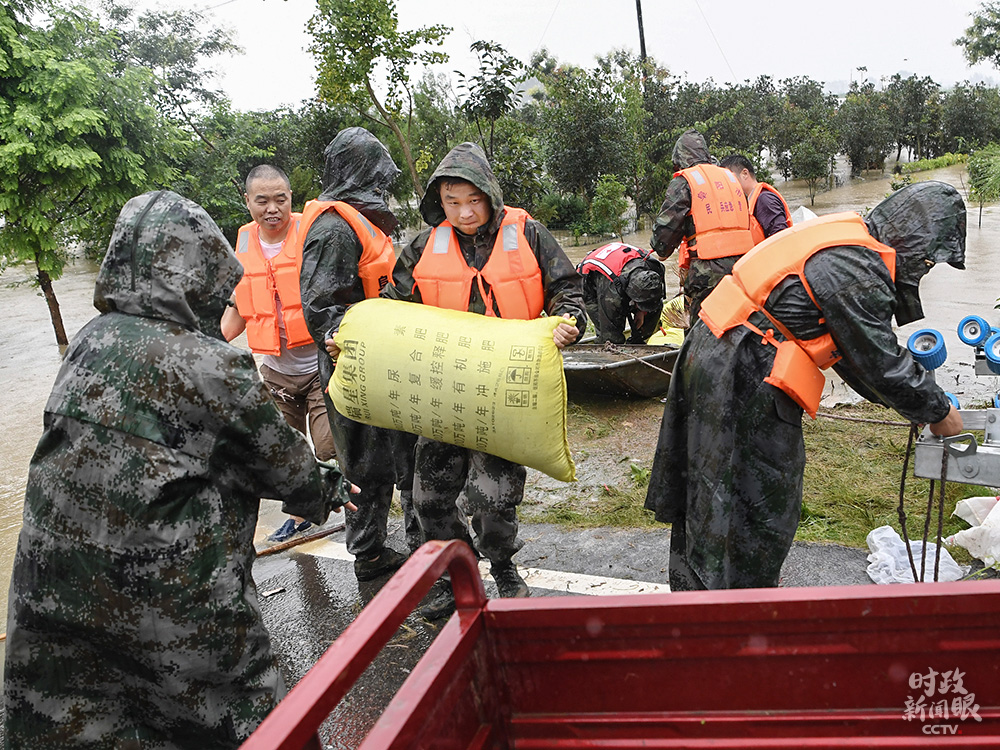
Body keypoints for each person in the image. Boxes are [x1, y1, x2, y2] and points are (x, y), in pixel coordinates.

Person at [3, 190, 358, 748]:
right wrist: (333, 488)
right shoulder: (210, 363)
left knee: (83, 724)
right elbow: (286, 468)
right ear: (202, 272)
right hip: (169, 597)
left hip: (50, 588)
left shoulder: (87, 343)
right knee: (256, 728)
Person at [644, 181, 967, 592]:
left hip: (713, 350)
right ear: (915, 236)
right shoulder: (856, 266)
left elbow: (851, 355)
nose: (923, 267)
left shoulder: (846, 239)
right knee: (759, 494)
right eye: (927, 259)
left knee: (708, 478)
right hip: (741, 369)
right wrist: (938, 411)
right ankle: (743, 604)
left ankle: (702, 593)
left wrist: (910, 404)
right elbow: (880, 361)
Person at [383, 142, 587, 616]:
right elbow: (392, 306)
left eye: (473, 200)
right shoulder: (422, 245)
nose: (464, 211)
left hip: (504, 390)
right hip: (443, 391)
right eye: (452, 202)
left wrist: (569, 321)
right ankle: (462, 572)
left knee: (493, 500)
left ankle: (504, 569)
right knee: (428, 499)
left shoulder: (529, 234)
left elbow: (567, 290)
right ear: (439, 201)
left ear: (490, 196)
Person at [298, 127, 417, 581]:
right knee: (366, 460)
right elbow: (320, 305)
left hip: (380, 356)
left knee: (394, 455)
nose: (383, 187)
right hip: (353, 363)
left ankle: (393, 547)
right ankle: (369, 552)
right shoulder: (333, 231)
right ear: (357, 172)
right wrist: (338, 336)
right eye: (377, 176)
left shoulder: (355, 221)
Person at [222, 164, 337, 543]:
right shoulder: (241, 242)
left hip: (320, 364)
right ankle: (301, 515)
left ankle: (351, 501)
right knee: (280, 453)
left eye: (280, 199)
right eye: (262, 201)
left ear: (291, 197)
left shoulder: (314, 233)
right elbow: (239, 308)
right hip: (275, 372)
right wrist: (204, 342)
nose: (272, 208)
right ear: (247, 202)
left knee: (326, 446)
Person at [650, 129, 754, 319]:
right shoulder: (730, 177)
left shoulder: (685, 181)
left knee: (701, 334)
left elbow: (665, 232)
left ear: (680, 158)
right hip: (744, 269)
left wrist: (660, 248)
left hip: (708, 273)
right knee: (739, 326)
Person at [578, 242, 666, 344]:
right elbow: (610, 333)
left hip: (623, 264)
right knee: (611, 338)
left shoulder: (656, 268)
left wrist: (642, 312)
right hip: (589, 282)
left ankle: (638, 342)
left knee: (655, 307)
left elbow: (655, 298)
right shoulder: (611, 295)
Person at [719, 154, 792, 244]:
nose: (728, 184)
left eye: (730, 178)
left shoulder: (764, 199)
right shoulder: (749, 202)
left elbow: (782, 239)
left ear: (745, 173)